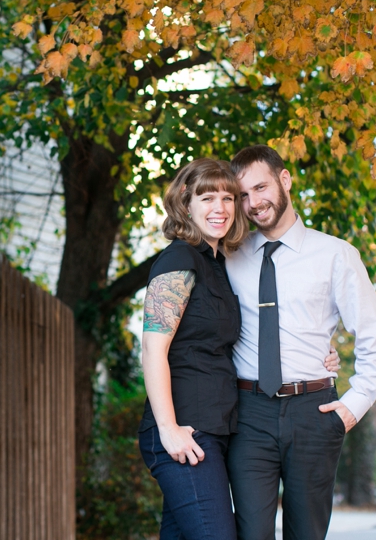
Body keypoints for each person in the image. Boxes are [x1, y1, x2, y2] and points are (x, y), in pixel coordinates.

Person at [139, 159, 340, 540]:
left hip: (217, 429)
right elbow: (152, 350)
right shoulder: (178, 259)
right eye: (208, 197)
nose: (221, 208)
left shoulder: (219, 263)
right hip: (185, 431)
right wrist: (168, 429)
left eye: (229, 198)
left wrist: (322, 354)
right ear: (186, 200)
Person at [224, 145, 376, 540]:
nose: (253, 203)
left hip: (314, 412)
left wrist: (349, 411)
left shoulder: (336, 255)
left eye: (260, 187)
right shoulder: (230, 256)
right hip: (248, 414)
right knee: (249, 534)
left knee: (307, 534)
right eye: (243, 195)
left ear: (284, 180)